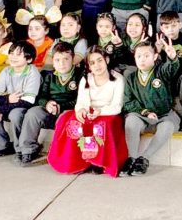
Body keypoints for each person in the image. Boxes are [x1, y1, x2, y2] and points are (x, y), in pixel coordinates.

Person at [48, 46, 127, 177]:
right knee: (74, 122)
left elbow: (117, 106)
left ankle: (97, 161)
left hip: (109, 113)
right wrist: (81, 111)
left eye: (100, 60)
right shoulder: (87, 79)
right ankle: (82, 161)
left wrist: (99, 112)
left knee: (99, 126)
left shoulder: (117, 79)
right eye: (92, 63)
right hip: (90, 111)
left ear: (106, 60)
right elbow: (81, 101)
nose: (97, 65)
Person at [16, 42, 84, 166]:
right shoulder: (49, 76)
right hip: (51, 111)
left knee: (68, 116)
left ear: (73, 59)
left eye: (66, 59)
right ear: (53, 61)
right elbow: (40, 97)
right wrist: (47, 103)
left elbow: (82, 99)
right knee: (33, 113)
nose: (61, 63)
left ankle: (66, 154)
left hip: (69, 112)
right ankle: (27, 150)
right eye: (57, 60)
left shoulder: (80, 75)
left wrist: (61, 107)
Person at [121, 40, 180, 176]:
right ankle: (131, 158)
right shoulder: (131, 78)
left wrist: (173, 58)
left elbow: (171, 68)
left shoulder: (161, 71)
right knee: (131, 121)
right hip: (144, 115)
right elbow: (128, 102)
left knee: (168, 126)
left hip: (164, 114)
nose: (142, 60)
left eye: (146, 56)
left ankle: (144, 159)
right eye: (139, 56)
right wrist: (145, 112)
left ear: (154, 57)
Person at [0, 41, 41, 159]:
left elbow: (28, 101)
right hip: (10, 103)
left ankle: (21, 149)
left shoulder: (32, 72)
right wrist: (7, 98)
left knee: (16, 114)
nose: (13, 57)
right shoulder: (7, 71)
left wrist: (2, 108)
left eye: (18, 54)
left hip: (26, 106)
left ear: (29, 59)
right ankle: (1, 145)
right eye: (11, 53)